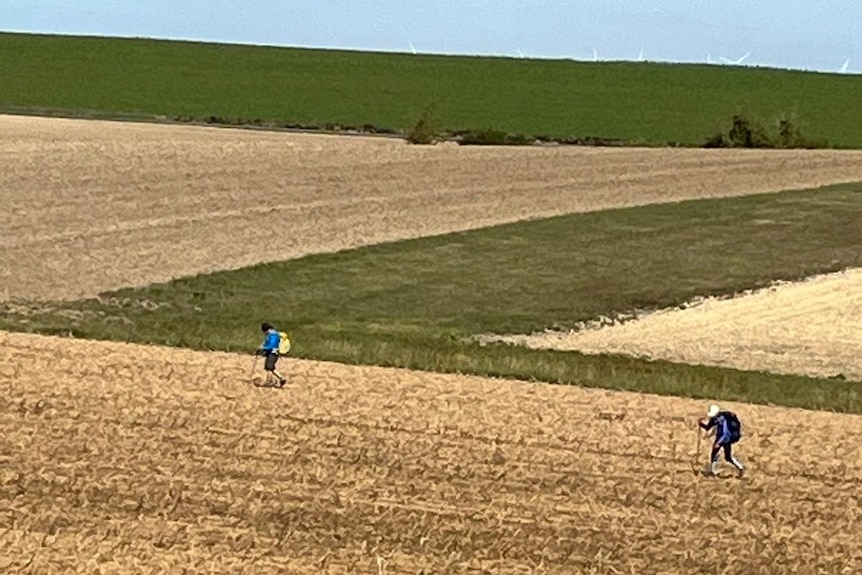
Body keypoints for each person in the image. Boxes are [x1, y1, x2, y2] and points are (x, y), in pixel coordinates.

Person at [698, 404, 745, 478]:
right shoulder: (714, 419)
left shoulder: (722, 419)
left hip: (725, 438)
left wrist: (719, 442)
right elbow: (708, 427)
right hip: (723, 438)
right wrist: (701, 424)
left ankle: (713, 471)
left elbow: (725, 432)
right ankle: (740, 467)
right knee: (727, 457)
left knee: (715, 453)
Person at [256, 322, 287, 387]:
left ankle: (269, 381)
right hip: (274, 354)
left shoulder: (273, 336)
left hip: (272, 354)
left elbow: (271, 346)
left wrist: (263, 348)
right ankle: (281, 378)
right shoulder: (275, 335)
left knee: (268, 367)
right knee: (272, 367)